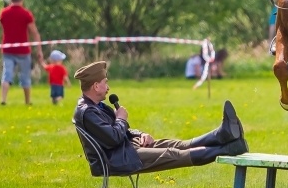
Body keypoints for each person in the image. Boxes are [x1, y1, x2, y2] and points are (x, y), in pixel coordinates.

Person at [73, 61, 248, 175]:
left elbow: (119, 133)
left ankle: (222, 134)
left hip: (125, 149)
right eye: (105, 82)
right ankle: (228, 148)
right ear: (96, 86)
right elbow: (112, 138)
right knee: (173, 154)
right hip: (115, 159)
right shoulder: (87, 112)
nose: (108, 87)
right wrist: (121, 119)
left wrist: (139, 134)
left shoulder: (97, 106)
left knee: (176, 145)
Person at [0, 0, 43, 105]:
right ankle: (27, 101)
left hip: (7, 49)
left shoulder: (4, 13)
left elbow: (3, 29)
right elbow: (34, 32)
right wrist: (39, 50)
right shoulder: (26, 14)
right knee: (25, 76)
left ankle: (3, 99)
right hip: (23, 50)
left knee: (7, 74)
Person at [268, 4, 288, 77]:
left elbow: (272, 26)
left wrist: (271, 39)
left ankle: (281, 70)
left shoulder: (276, 9)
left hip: (282, 35)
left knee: (280, 53)